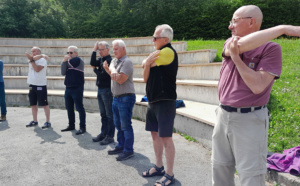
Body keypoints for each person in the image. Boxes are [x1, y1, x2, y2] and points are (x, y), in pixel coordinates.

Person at [212, 5, 300, 186]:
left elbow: (257, 86)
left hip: (250, 119)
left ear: (251, 22)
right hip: (223, 115)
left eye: (234, 21)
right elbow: (240, 46)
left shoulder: (271, 49)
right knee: (219, 168)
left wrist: (237, 59)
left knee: (250, 176)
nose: (230, 26)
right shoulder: (231, 42)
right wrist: (282, 29)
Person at [141, 24, 178, 186]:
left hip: (165, 101)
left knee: (165, 138)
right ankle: (159, 166)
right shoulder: (157, 54)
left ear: (165, 39)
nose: (153, 40)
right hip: (153, 100)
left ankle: (169, 174)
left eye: (155, 37)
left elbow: (145, 64)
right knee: (155, 135)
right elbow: (145, 76)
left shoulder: (168, 51)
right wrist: (147, 62)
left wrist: (147, 62)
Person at [103, 39, 136, 161]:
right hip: (116, 98)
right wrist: (110, 69)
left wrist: (112, 69)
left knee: (125, 125)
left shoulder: (127, 62)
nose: (114, 51)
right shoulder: (115, 61)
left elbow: (121, 80)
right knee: (118, 124)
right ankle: (121, 145)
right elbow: (113, 75)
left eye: (116, 48)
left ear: (123, 49)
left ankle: (128, 150)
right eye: (113, 48)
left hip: (126, 98)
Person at [90, 41, 115, 145]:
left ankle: (110, 136)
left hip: (107, 90)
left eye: (101, 49)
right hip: (100, 89)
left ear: (108, 49)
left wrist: (94, 70)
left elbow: (103, 76)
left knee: (109, 115)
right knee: (103, 114)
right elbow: (92, 63)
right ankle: (103, 133)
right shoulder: (101, 59)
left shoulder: (110, 60)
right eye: (99, 50)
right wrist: (94, 50)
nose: (100, 52)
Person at [61, 46, 86, 135]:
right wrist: (64, 62)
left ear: (76, 53)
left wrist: (64, 61)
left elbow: (70, 65)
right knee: (69, 108)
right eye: (68, 53)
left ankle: (82, 127)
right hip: (68, 87)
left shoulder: (78, 60)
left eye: (71, 52)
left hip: (77, 87)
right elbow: (63, 72)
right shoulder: (67, 61)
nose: (69, 54)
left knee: (79, 108)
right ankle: (71, 125)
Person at [25, 47, 51, 129]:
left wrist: (34, 59)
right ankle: (35, 120)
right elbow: (33, 58)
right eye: (31, 51)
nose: (32, 52)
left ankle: (47, 121)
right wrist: (41, 55)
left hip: (41, 85)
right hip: (32, 84)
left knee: (44, 104)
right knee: (33, 104)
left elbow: (37, 69)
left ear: (39, 52)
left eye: (34, 51)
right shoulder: (32, 59)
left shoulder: (43, 60)